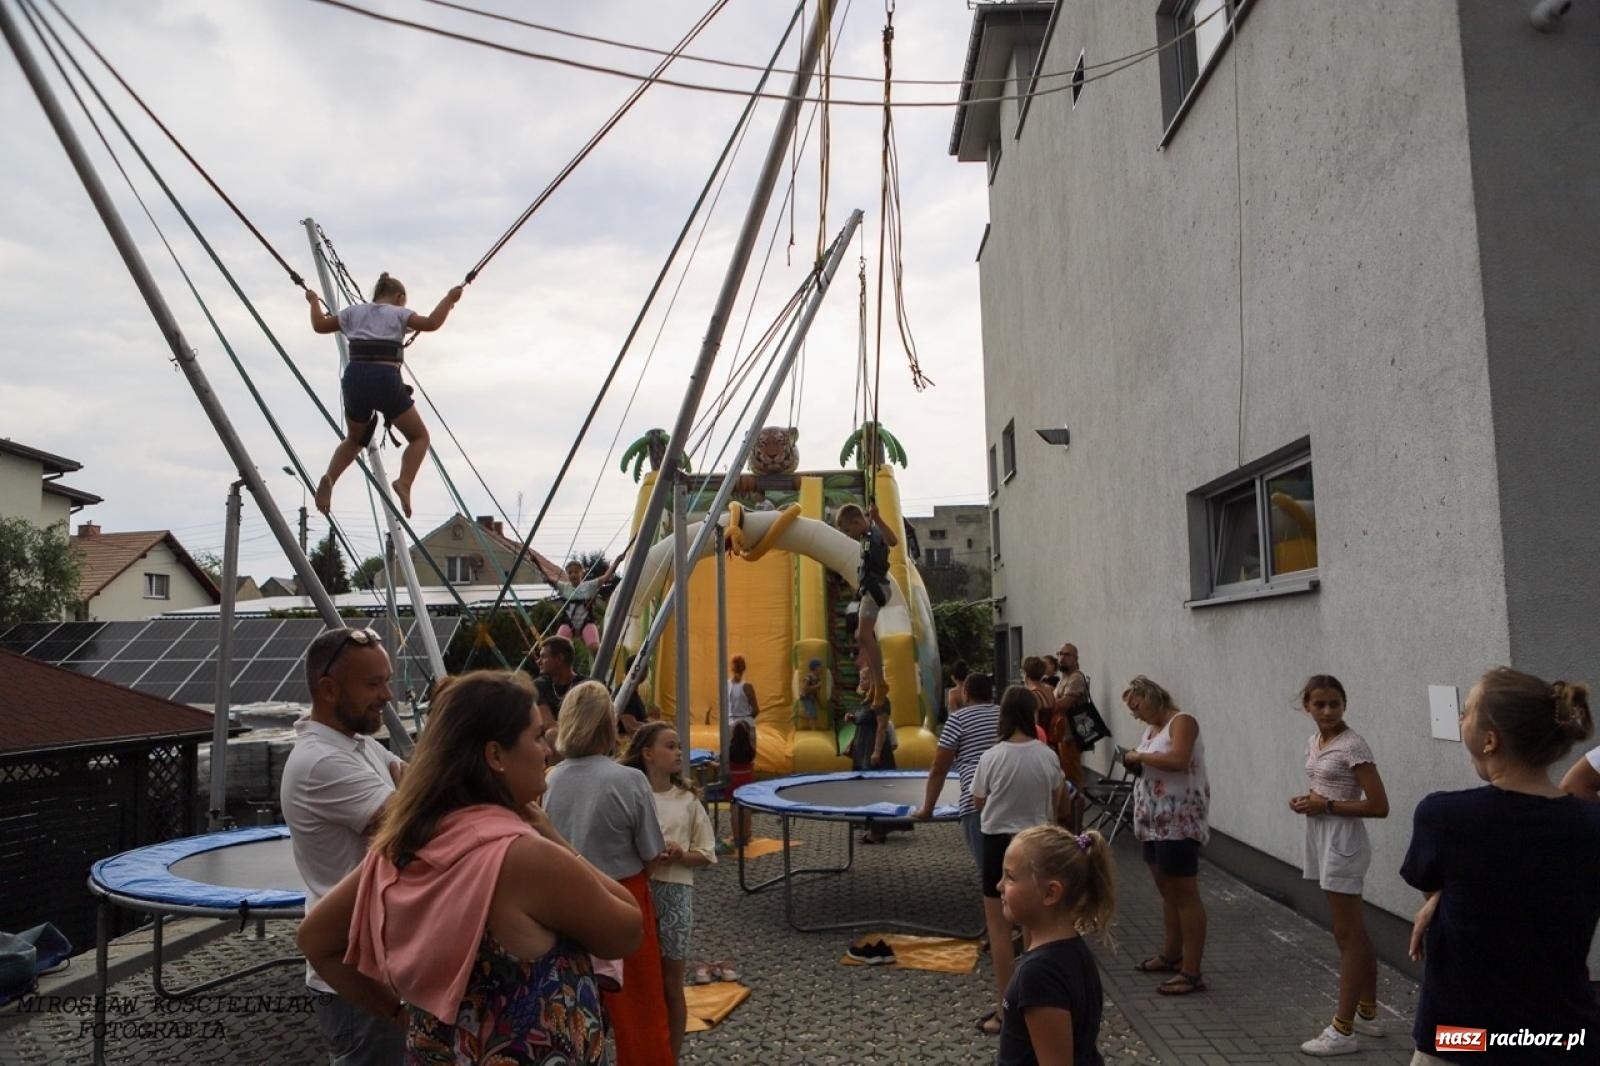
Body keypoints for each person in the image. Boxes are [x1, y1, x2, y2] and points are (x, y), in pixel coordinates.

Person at [295, 671, 641, 1065]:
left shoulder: (403, 845)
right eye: (534, 736)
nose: (546, 750)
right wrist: (554, 838)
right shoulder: (523, 857)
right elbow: (628, 930)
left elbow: (315, 941)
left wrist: (398, 1013)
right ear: (495, 756)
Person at [1401, 668, 1600, 1066]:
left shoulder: (1444, 817)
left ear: (1490, 740)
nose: (1460, 719)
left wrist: (1437, 896)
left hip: (1465, 1037)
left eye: (1469, 711)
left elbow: (1455, 878)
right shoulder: (1589, 827)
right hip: (1560, 1039)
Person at [280, 626, 408, 1066]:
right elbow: (417, 829)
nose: (388, 695)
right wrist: (410, 807)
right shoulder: (322, 762)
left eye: (386, 680)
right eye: (373, 684)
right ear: (329, 689)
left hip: (376, 964)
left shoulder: (358, 745)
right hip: (355, 978)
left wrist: (410, 799)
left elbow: (423, 789)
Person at [544, 681, 675, 1066]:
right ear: (608, 723)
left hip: (569, 899)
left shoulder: (551, 779)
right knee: (640, 1007)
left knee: (576, 1001)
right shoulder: (630, 780)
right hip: (625, 894)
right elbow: (652, 852)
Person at [1287, 675, 1391, 1056]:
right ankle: (1367, 1013)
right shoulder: (1316, 742)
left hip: (1343, 842)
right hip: (1321, 835)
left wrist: (1326, 806)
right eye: (1320, 705)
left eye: (1335, 703)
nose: (1328, 711)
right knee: (1352, 931)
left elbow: (1379, 806)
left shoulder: (1353, 745)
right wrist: (1308, 801)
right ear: (1308, 708)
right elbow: (1325, 790)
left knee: (1347, 935)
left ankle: (1343, 1029)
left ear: (1344, 704)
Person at [305, 273, 461, 518]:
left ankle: (329, 479)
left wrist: (314, 301)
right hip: (384, 378)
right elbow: (431, 323)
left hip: (354, 378)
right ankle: (405, 482)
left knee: (354, 439)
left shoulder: (352, 313)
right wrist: (449, 300)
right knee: (419, 437)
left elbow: (319, 326)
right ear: (399, 297)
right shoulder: (399, 313)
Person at [971, 685, 1066, 1037]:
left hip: (998, 844)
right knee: (1035, 931)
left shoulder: (992, 757)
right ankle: (1035, 1006)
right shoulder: (1047, 755)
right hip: (1038, 846)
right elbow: (1059, 795)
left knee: (999, 930)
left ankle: (1005, 1011)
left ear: (1004, 716)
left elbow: (979, 801)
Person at [622, 723, 716, 1062]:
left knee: (671, 984)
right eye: (670, 746)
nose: (679, 752)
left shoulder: (688, 801)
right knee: (638, 982)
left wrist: (679, 854)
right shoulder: (631, 794)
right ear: (648, 754)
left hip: (675, 894)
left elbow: (706, 853)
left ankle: (670, 1056)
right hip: (637, 891)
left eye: (680, 746)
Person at [996, 826, 1115, 1066]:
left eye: (1010, 877)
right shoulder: (1071, 951)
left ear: (1050, 893)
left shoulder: (1040, 974)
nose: (999, 886)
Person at [1122, 675, 1209, 996]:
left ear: (1152, 695)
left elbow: (1177, 760)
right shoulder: (1151, 730)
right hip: (1153, 821)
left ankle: (1192, 971)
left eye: (1137, 705)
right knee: (1168, 891)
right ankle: (1172, 954)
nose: (1135, 713)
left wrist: (1139, 756)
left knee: (1184, 893)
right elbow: (1152, 765)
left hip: (1178, 821)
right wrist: (1135, 761)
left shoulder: (1182, 722)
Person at [911, 672, 1000, 870]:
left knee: (989, 871)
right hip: (1008, 797)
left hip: (976, 801)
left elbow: (939, 768)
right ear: (991, 694)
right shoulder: (1004, 715)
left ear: (965, 694)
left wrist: (928, 808)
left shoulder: (958, 719)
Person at [833, 503, 898, 706]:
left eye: (848, 529)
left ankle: (879, 683)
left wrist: (877, 518)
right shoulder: (866, 536)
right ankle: (873, 686)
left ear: (857, 521)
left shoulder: (873, 534)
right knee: (863, 638)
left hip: (877, 588)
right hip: (871, 589)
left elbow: (893, 541)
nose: (847, 534)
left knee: (863, 635)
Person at [534, 553, 620, 654]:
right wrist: (536, 562)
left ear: (581, 573)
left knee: (595, 647)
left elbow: (605, 577)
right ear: (567, 575)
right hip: (568, 622)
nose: (573, 574)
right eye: (570, 573)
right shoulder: (564, 587)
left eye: (576, 572)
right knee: (557, 647)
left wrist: (617, 562)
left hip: (586, 622)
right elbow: (548, 578)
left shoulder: (589, 586)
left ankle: (601, 666)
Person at [1052, 644, 1090, 821]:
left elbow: (1063, 704)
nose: (1061, 657)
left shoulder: (1075, 678)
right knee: (1066, 776)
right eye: (1059, 654)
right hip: (1062, 734)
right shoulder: (1064, 678)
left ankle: (1075, 822)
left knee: (1073, 779)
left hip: (1071, 736)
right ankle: (1068, 817)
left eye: (1066, 654)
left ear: (1076, 658)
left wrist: (1042, 702)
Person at [533, 636, 585, 752]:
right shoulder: (539, 686)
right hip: (554, 744)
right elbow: (548, 724)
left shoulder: (586, 686)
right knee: (552, 734)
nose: (538, 661)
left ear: (559, 658)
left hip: (584, 740)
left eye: (543, 657)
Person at [727, 718, 757, 849]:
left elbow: (725, 763)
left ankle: (737, 837)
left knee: (734, 808)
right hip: (746, 780)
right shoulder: (750, 750)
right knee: (746, 809)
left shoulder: (730, 750)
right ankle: (746, 835)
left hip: (734, 780)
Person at [945, 660, 970, 724]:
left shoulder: (953, 693)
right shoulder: (973, 689)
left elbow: (953, 714)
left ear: (953, 677)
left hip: (962, 724)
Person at [800, 658, 825, 722]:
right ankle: (813, 731)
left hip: (811, 698)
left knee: (813, 715)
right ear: (816, 668)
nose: (822, 669)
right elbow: (804, 688)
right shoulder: (809, 677)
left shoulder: (817, 679)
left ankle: (798, 715)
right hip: (806, 697)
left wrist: (820, 704)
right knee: (812, 716)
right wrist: (817, 686)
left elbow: (816, 693)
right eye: (820, 667)